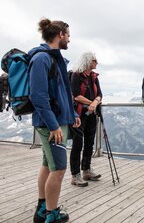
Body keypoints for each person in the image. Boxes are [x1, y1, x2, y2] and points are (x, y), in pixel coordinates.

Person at [29, 18, 80, 223]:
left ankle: (42, 209)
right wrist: (53, 125)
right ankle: (51, 214)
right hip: (52, 124)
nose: (69, 38)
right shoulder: (42, 59)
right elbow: (38, 96)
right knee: (58, 170)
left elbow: (63, 93)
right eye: (68, 34)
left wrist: (73, 114)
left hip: (59, 120)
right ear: (60, 35)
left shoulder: (55, 59)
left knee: (47, 164)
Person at [69, 52, 103, 187]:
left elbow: (100, 94)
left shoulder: (94, 77)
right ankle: (75, 175)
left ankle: (86, 170)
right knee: (77, 144)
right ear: (88, 61)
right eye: (95, 60)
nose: (97, 62)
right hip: (78, 114)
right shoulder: (76, 75)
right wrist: (93, 103)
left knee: (89, 142)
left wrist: (94, 102)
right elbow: (75, 95)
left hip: (91, 114)